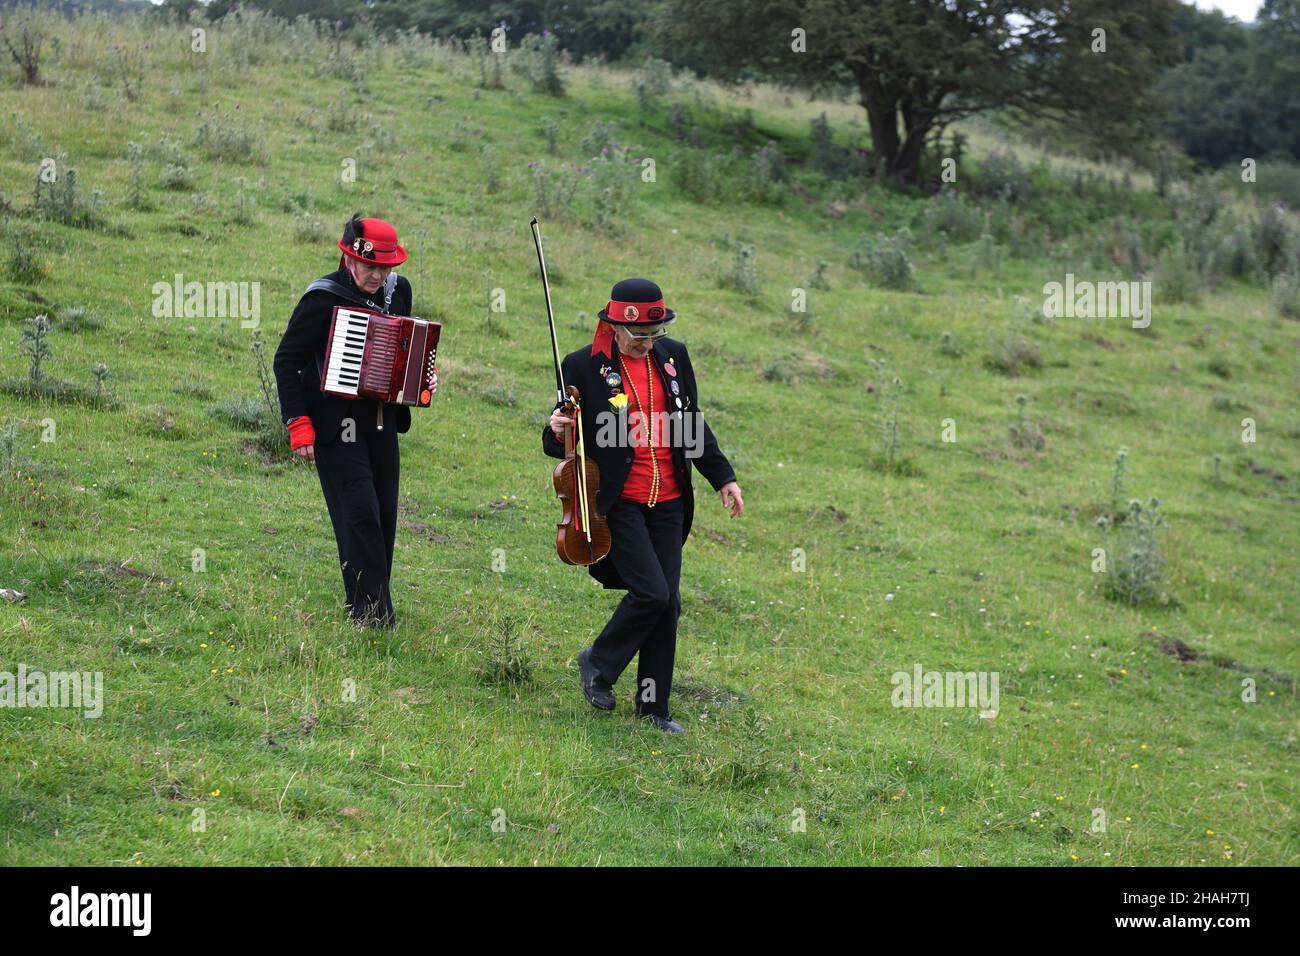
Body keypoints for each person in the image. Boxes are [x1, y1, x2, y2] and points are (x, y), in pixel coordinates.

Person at [542, 278, 744, 733]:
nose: (647, 345)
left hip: (670, 502)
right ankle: (598, 662)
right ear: (613, 326)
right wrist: (557, 429)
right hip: (622, 503)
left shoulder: (674, 358)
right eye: (638, 338)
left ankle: (653, 708)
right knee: (652, 593)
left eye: (654, 336)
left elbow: (691, 423)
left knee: (668, 604)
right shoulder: (582, 365)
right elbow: (561, 446)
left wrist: (723, 477)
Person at [273, 214, 428, 629]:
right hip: (333, 423)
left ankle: (365, 601)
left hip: (380, 421)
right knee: (358, 512)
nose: (378, 275)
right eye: (370, 266)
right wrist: (298, 424)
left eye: (386, 267)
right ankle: (375, 615)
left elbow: (401, 349)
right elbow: (287, 361)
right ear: (348, 258)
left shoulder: (399, 293)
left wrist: (418, 375)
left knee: (383, 515)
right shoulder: (322, 298)